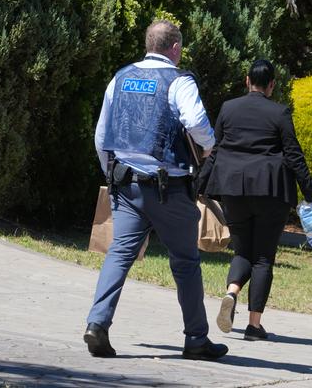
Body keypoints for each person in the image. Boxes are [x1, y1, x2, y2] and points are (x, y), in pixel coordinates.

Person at [84, 20, 228, 361]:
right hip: (168, 188)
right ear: (175, 48)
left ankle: (97, 324)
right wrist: (208, 146)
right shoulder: (179, 81)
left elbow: (102, 135)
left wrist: (111, 173)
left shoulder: (119, 77)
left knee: (119, 254)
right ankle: (196, 339)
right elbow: (195, 122)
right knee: (186, 262)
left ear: (149, 44)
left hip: (125, 184)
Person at [201, 59, 312, 341]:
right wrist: (311, 194)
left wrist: (199, 186)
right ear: (271, 85)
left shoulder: (229, 108)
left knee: (242, 251)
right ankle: (254, 325)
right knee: (264, 257)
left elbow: (215, 150)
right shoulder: (279, 112)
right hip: (270, 191)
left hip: (233, 189)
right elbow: (293, 155)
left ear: (246, 81)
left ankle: (232, 292)